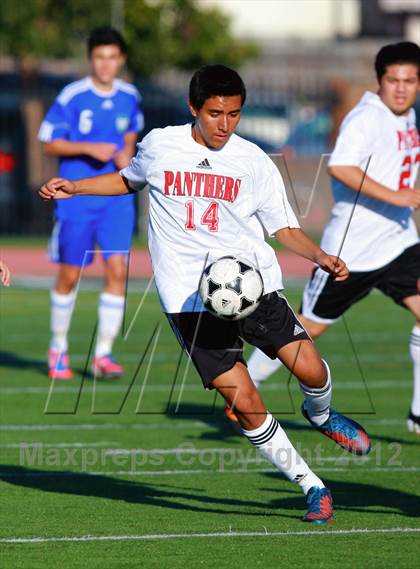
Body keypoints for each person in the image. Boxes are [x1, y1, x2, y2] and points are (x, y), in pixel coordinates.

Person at [39, 64, 371, 523]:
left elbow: (282, 226)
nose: (224, 124)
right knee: (245, 399)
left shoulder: (253, 160)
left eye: (234, 114)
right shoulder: (160, 145)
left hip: (250, 284)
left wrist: (321, 256)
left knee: (311, 369)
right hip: (189, 301)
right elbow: (127, 179)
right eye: (215, 113)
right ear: (193, 108)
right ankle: (311, 485)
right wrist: (75, 187)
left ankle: (321, 413)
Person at [246, 41, 420, 434]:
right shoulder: (367, 118)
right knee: (309, 329)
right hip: (353, 251)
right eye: (393, 80)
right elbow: (341, 166)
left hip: (398, 240)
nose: (401, 88)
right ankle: (248, 386)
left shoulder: (407, 116)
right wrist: (397, 195)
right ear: (380, 82)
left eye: (409, 80)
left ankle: (418, 414)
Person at [38, 26, 144, 380]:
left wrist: (127, 151)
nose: (105, 64)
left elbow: (130, 133)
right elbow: (48, 142)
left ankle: (103, 354)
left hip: (115, 199)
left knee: (116, 270)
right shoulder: (73, 95)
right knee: (70, 273)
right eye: (99, 57)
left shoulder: (130, 95)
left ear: (121, 59)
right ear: (91, 59)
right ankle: (58, 348)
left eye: (112, 57)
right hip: (76, 199)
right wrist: (87, 147)